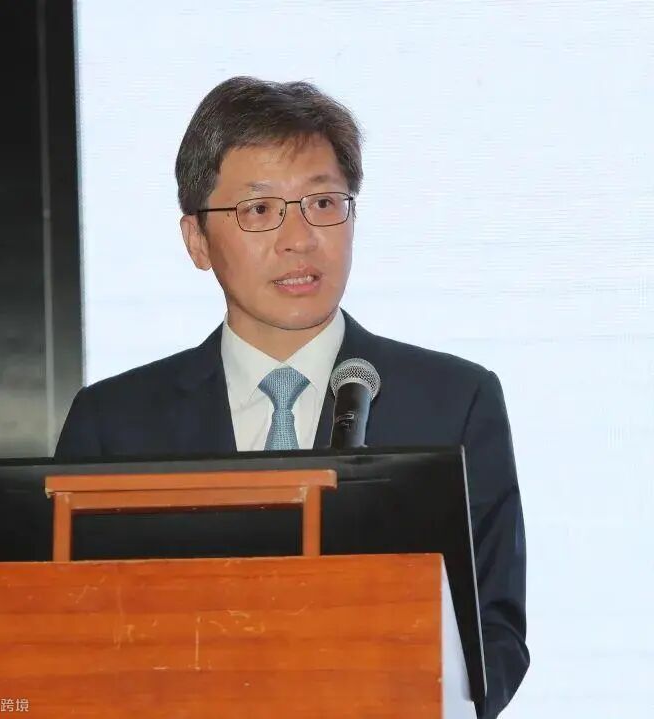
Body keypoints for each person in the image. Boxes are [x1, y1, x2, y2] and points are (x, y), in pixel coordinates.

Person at [56, 76, 528, 717]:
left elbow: (494, 632)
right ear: (197, 240)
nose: (299, 239)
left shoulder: (455, 403)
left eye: (323, 203)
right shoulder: (114, 423)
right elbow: (66, 636)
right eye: (258, 210)